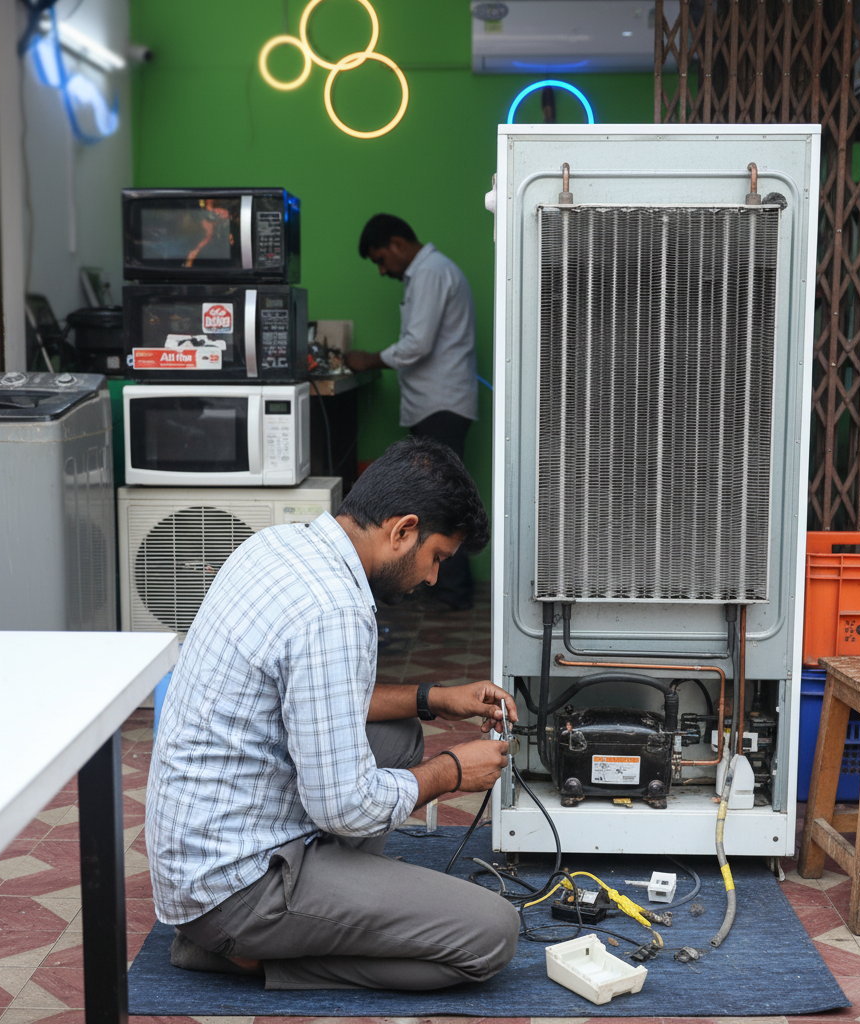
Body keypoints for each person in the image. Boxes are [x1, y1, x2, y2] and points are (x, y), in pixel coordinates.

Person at [145, 436, 520, 991]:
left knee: (396, 735)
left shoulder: (278, 546)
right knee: (492, 933)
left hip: (197, 853)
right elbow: (347, 807)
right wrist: (453, 772)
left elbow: (320, 698)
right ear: (403, 530)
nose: (434, 578)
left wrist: (437, 697)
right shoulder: (334, 610)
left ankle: (323, 899)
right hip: (235, 889)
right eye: (437, 557)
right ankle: (249, 954)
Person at [346, 213, 479, 610]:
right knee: (436, 498)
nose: (382, 270)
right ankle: (444, 590)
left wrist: (369, 359)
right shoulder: (428, 272)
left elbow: (417, 344)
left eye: (381, 259)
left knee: (440, 502)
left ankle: (451, 593)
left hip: (441, 403)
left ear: (398, 244)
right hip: (437, 402)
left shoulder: (431, 272)